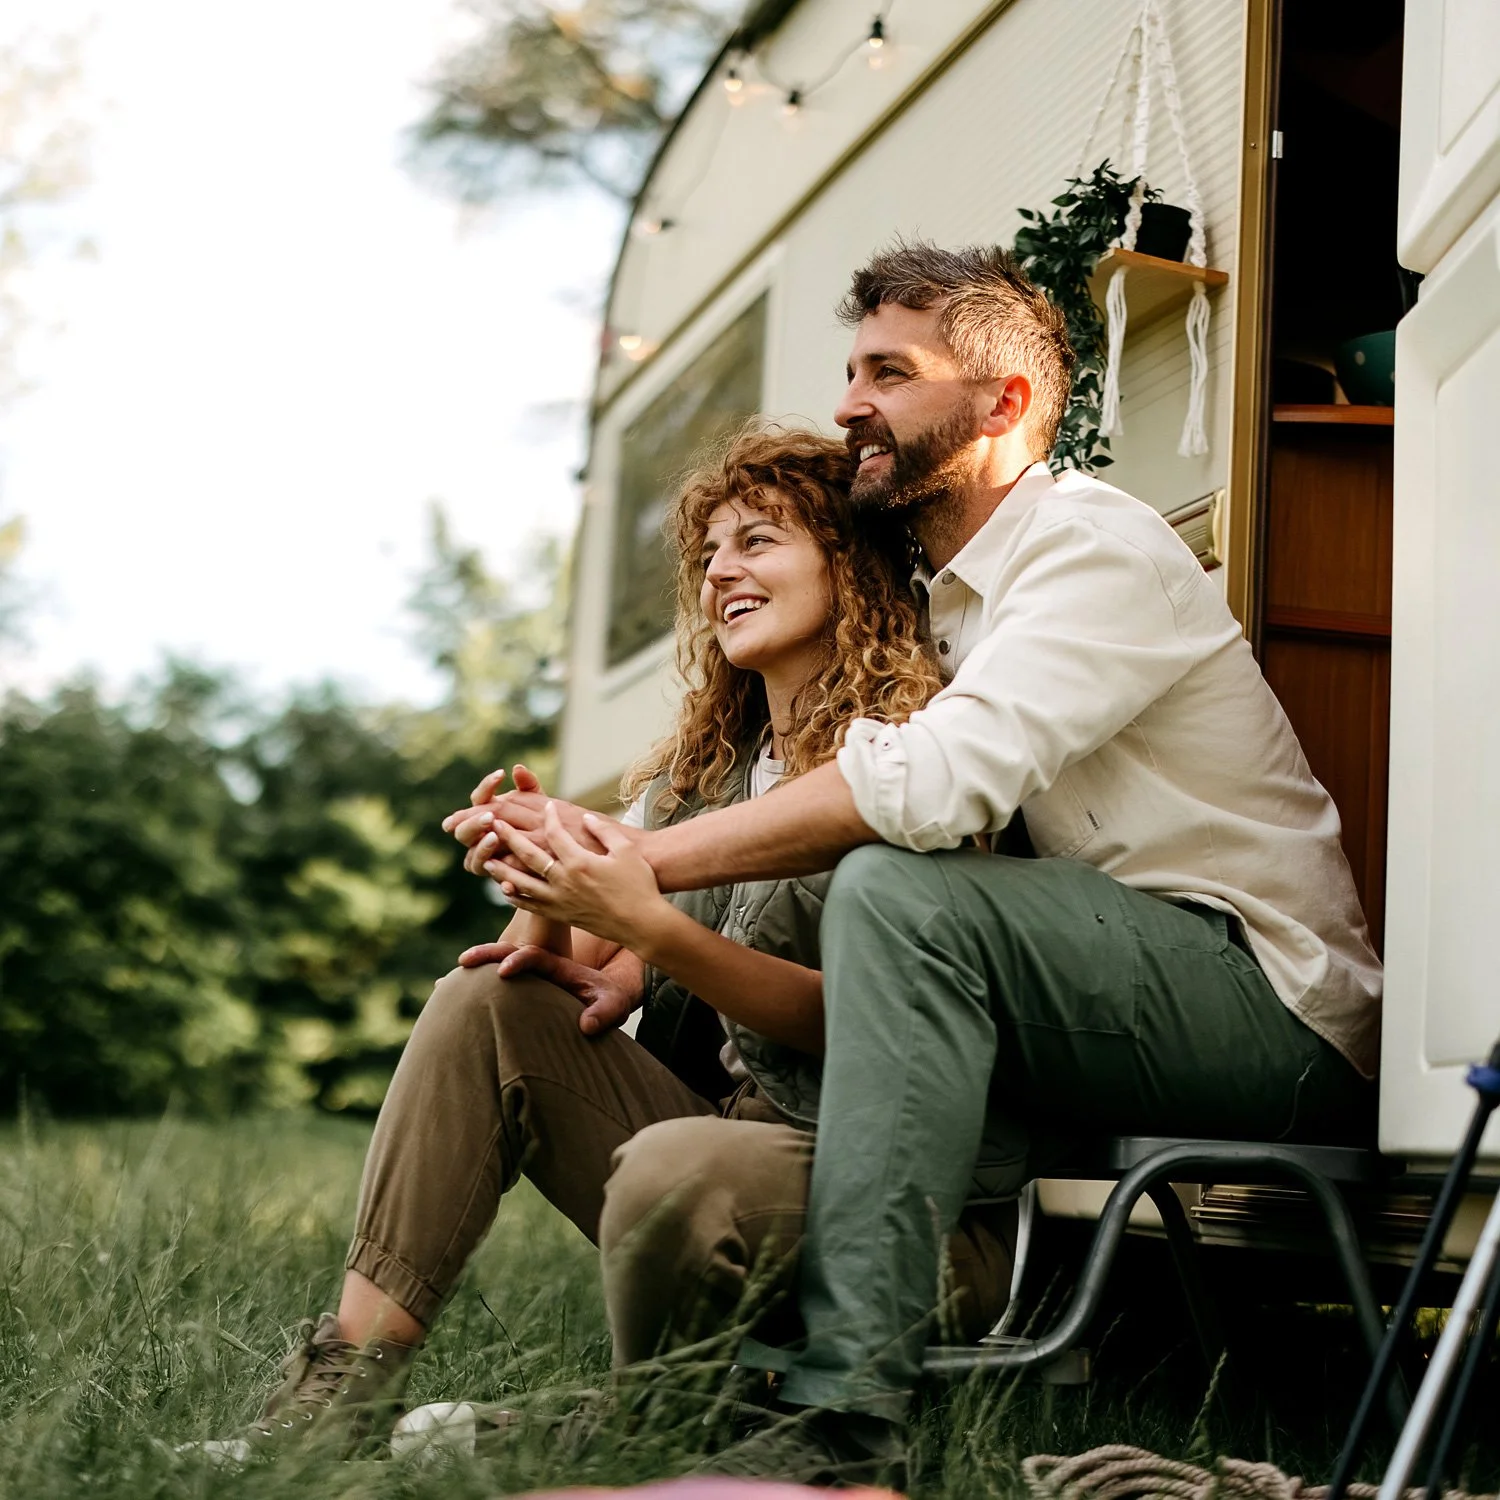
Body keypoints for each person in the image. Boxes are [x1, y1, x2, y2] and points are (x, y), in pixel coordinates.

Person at [457, 242, 1383, 1487]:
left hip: (1263, 1003)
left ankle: (842, 1436)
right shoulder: (945, 603)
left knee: (906, 888)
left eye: (890, 372)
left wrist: (639, 862)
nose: (850, 405)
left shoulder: (1087, 548)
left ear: (1004, 406)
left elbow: (937, 784)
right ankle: (723, 1410)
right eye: (851, 371)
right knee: (886, 907)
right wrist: (593, 913)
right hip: (1096, 1002)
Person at [207, 423, 1017, 1462]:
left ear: (849, 567)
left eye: (760, 541)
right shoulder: (704, 775)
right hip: (723, 1145)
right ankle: (333, 1405)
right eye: (713, 551)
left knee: (679, 1163)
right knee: (481, 1003)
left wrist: (654, 927)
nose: (723, 568)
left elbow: (874, 1022)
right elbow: (544, 975)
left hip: (911, 1206)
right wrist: (546, 870)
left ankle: (645, 1427)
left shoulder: (921, 760)